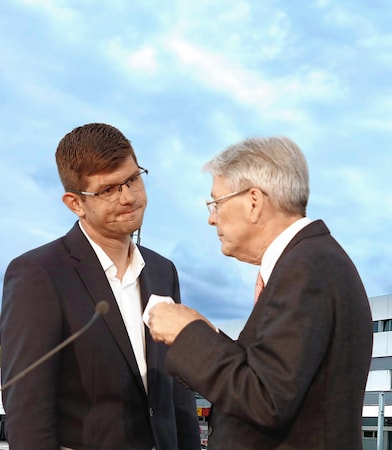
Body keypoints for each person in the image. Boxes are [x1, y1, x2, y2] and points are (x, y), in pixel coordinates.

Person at [147, 136, 374, 449]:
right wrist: (206, 332)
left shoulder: (306, 269)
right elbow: (270, 375)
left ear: (253, 202)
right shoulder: (311, 261)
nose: (211, 218)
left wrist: (187, 333)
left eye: (216, 203)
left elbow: (266, 399)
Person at [0, 123, 201, 449]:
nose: (129, 197)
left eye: (133, 179)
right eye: (108, 190)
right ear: (75, 203)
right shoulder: (39, 273)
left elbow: (178, 392)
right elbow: (27, 410)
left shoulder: (164, 271)